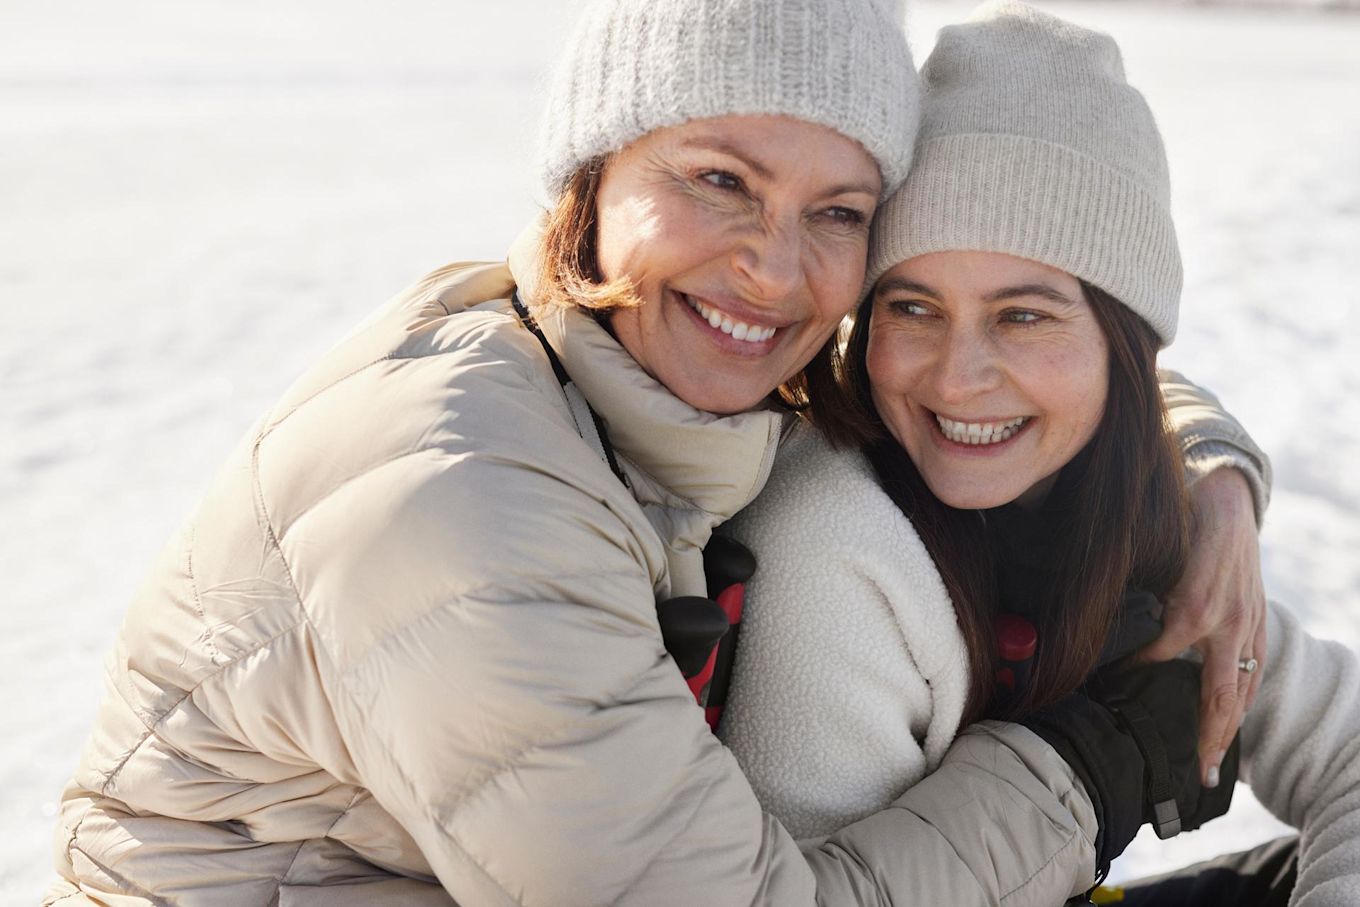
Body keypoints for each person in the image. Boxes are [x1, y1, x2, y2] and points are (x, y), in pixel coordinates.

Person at [45, 0, 1268, 905]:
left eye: (836, 213)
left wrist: (1210, 476)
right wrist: (1077, 772)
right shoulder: (464, 499)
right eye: (718, 179)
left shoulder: (672, 356)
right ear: (593, 173)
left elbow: (1049, 340)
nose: (777, 268)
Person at [721, 3, 1360, 904]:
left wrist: (1214, 475)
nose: (958, 377)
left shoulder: (1126, 500)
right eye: (911, 307)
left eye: (1023, 315)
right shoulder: (834, 546)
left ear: (1122, 345)